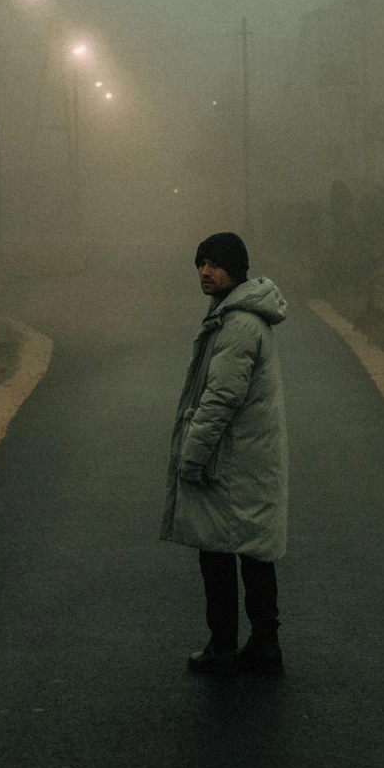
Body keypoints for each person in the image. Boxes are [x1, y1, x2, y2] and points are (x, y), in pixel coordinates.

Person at [161, 231, 289, 676]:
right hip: (248, 458)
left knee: (216, 551)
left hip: (231, 460)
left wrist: (191, 458)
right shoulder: (240, 316)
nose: (204, 271)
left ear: (235, 269)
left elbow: (220, 398)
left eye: (214, 264)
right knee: (253, 552)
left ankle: (223, 646)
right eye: (200, 263)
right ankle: (264, 644)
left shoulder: (238, 324)